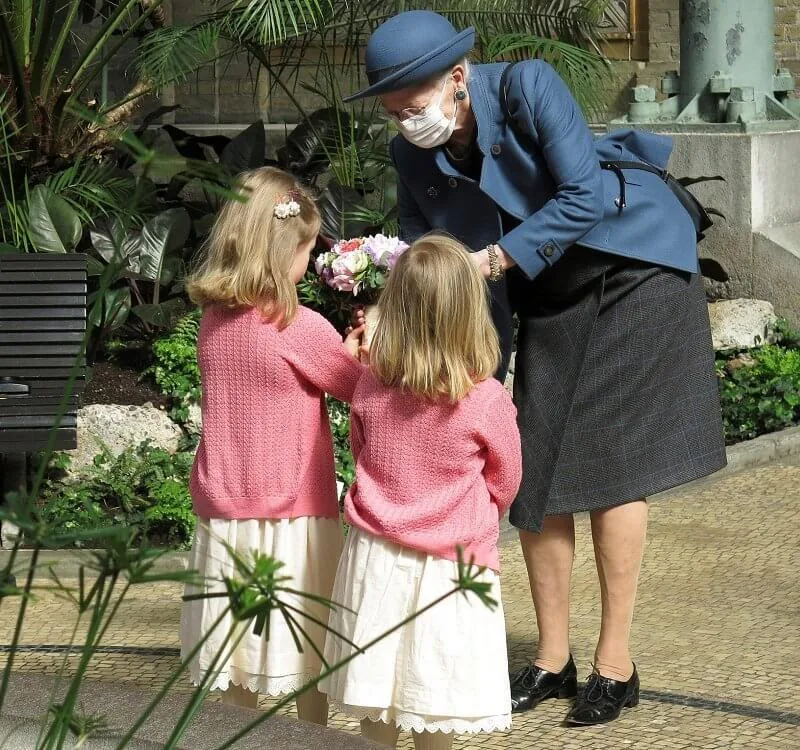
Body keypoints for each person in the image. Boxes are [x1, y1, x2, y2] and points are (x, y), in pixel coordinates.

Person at [343, 10, 727, 726]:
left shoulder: (528, 87)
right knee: (534, 464)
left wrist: (489, 263)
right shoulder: (413, 155)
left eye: (415, 105)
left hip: (631, 266)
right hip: (540, 286)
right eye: (393, 112)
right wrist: (412, 334)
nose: (406, 122)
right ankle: (554, 659)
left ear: (458, 78)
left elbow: (581, 194)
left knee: (612, 465)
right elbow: (421, 258)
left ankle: (616, 665)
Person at [320, 235, 523, 750]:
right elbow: (506, 477)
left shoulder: (371, 382)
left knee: (375, 691)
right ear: (470, 312)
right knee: (438, 698)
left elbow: (361, 446)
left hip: (374, 556)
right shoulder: (486, 399)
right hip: (452, 564)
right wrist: (475, 512)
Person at [180, 166, 365, 724]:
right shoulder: (299, 325)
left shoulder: (214, 318)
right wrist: (359, 346)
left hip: (225, 513)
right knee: (308, 651)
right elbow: (357, 389)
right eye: (306, 250)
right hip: (291, 514)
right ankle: (310, 738)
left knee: (236, 657)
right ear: (283, 250)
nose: (308, 263)